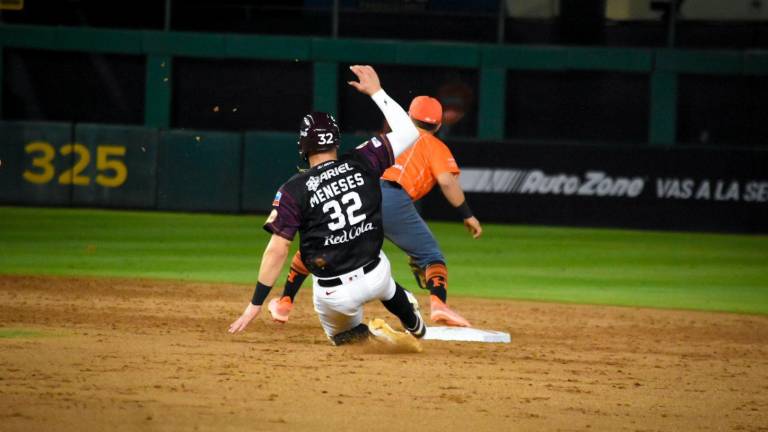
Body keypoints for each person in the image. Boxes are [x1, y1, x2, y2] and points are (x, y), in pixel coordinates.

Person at [228, 65, 426, 348]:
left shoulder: (293, 190)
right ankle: (407, 312)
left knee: (342, 337)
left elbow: (278, 249)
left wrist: (255, 303)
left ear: (303, 147)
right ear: (336, 139)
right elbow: (410, 132)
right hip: (376, 272)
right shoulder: (363, 159)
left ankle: (381, 341)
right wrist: (377, 92)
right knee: (389, 287)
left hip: (335, 294)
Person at [268, 95, 482, 328]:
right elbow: (447, 182)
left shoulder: (389, 139)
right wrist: (467, 214)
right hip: (392, 196)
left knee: (322, 244)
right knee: (431, 255)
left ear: (409, 116)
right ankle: (439, 304)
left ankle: (285, 301)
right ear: (439, 125)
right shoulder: (437, 147)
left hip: (360, 192)